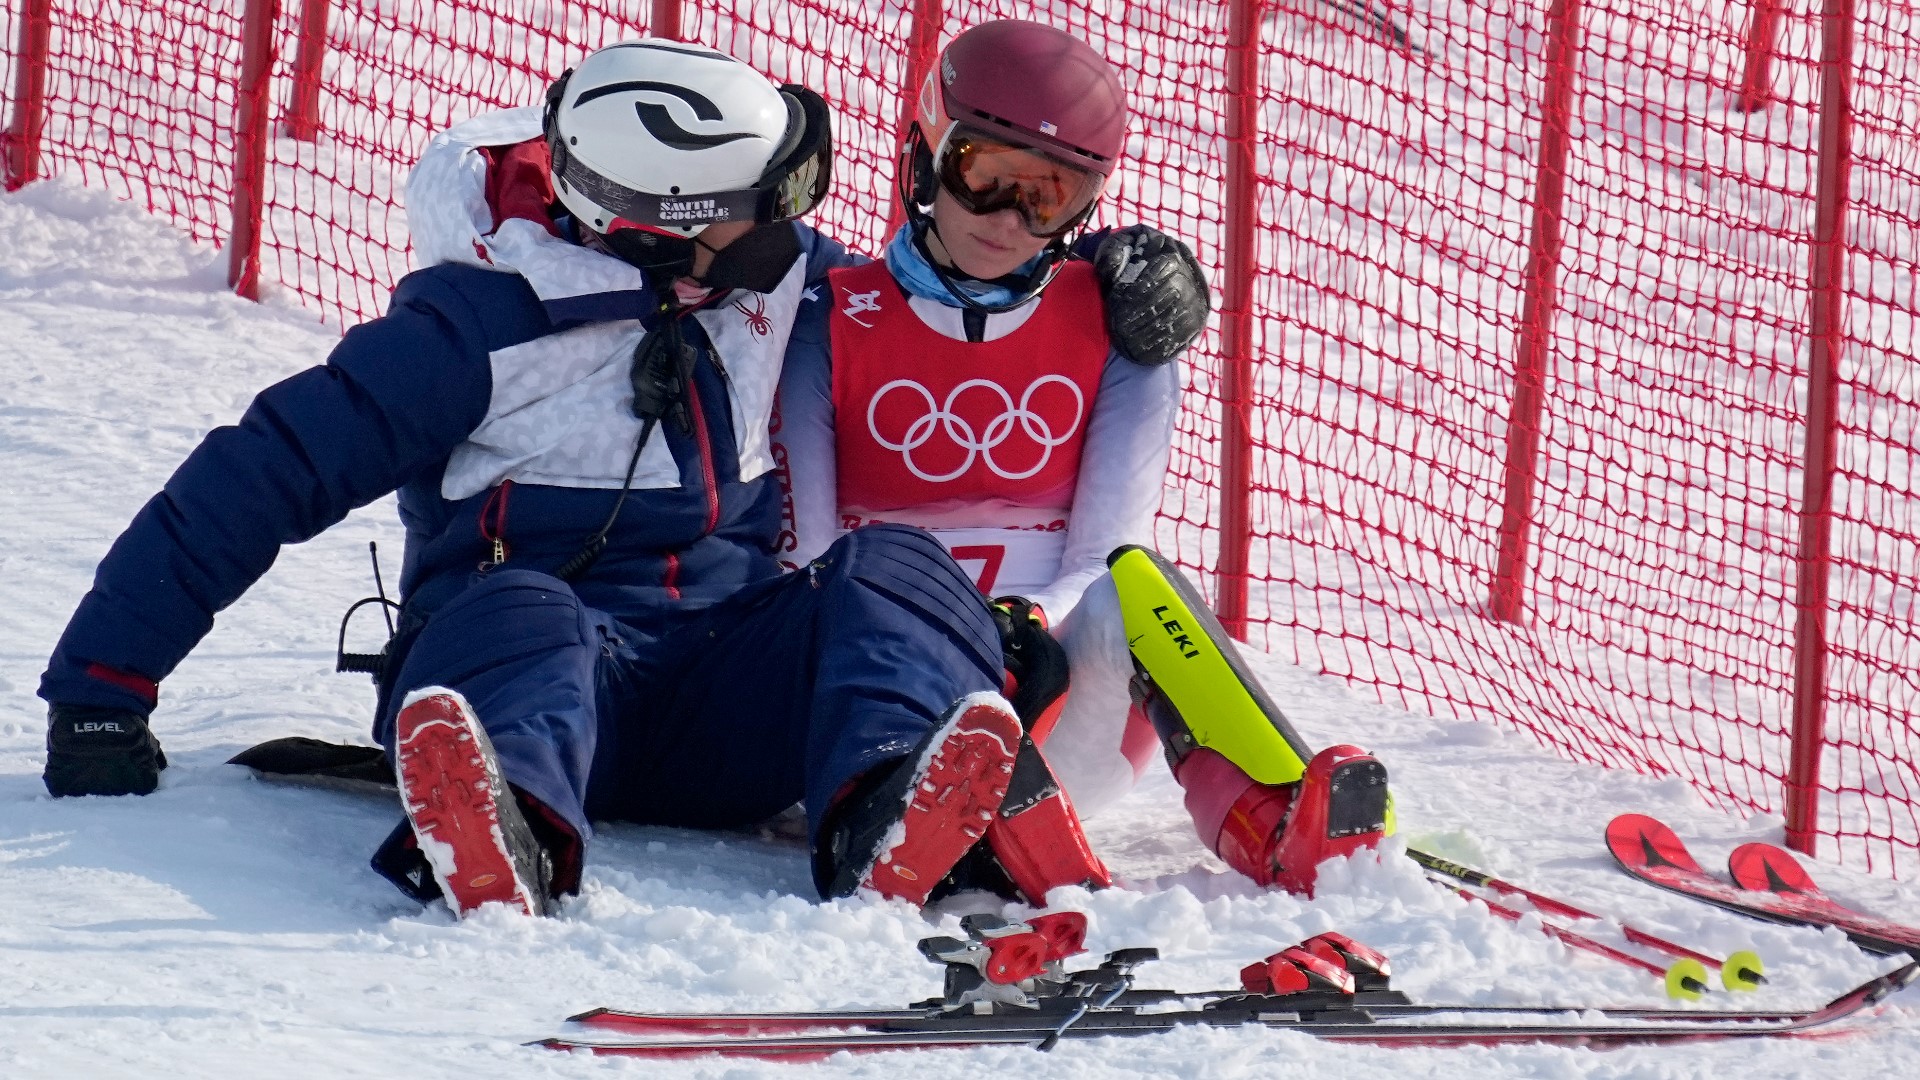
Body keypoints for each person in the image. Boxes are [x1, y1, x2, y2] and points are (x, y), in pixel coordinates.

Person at [36, 37, 1211, 916]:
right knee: (525, 606)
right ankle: (507, 828)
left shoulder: (762, 280)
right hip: (535, 686)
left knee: (893, 565)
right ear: (661, 229)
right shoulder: (475, 334)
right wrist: (102, 682)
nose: (794, 231)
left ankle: (896, 808)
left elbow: (938, 279)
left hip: (719, 690)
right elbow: (262, 473)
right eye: (766, 211)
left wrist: (1112, 269)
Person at [775, 20, 1392, 900]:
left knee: (1137, 591)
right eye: (983, 177)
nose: (1007, 220)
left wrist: (1021, 628)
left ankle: (1272, 820)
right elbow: (809, 556)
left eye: (1049, 196)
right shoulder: (831, 317)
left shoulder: (1124, 327)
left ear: (1086, 207)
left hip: (1059, 694)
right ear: (927, 154)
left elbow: (1110, 549)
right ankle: (950, 823)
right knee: (840, 599)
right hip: (872, 700)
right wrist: (960, 644)